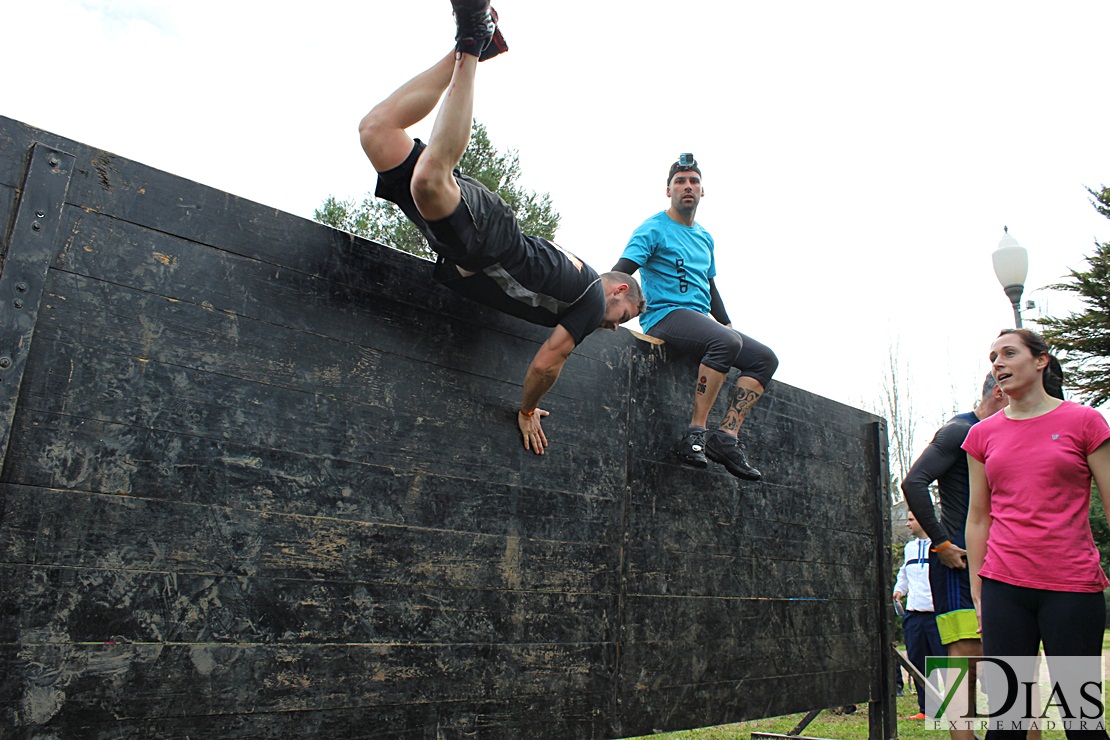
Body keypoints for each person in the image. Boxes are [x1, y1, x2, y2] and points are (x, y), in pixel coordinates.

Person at [357, 1, 644, 455]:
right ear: (620, 293)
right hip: (489, 242)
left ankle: (470, 48)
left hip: (479, 238)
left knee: (376, 130)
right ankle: (472, 41)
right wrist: (527, 409)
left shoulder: (578, 280)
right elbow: (548, 363)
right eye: (623, 318)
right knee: (430, 177)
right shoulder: (592, 300)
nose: (615, 326)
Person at [964, 329, 1110, 740]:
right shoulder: (982, 434)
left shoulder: (1084, 421)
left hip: (1072, 587)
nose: (998, 363)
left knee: (1081, 719)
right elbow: (978, 519)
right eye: (993, 356)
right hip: (1003, 587)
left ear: (1041, 360)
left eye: (1009, 353)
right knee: (1008, 722)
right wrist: (979, 589)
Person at [612, 156, 778, 480]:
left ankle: (726, 437)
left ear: (703, 191)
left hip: (698, 320)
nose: (687, 186)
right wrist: (607, 307)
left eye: (694, 181)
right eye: (680, 181)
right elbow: (621, 273)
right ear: (668, 190)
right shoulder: (652, 228)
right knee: (724, 341)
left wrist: (726, 322)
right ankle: (696, 434)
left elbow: (709, 285)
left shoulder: (705, 237)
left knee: (763, 359)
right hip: (664, 316)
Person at [901, 372, 1008, 740]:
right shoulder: (960, 429)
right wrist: (942, 543)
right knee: (967, 660)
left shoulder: (1004, 434)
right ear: (998, 392)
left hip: (999, 557)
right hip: (958, 561)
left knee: (1004, 658)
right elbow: (913, 481)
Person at [893, 511, 946, 721]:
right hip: (914, 615)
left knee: (946, 663)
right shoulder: (910, 548)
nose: (907, 524)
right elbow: (904, 574)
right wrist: (899, 590)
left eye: (911, 520)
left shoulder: (942, 545)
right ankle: (927, 710)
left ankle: (956, 707)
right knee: (918, 662)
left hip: (937, 614)